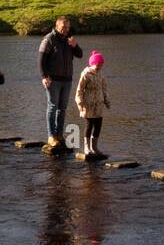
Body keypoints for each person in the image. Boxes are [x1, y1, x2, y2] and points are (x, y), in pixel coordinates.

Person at [38, 15, 83, 148]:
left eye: (68, 27)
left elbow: (80, 55)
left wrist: (74, 46)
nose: (66, 30)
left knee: (62, 109)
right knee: (52, 107)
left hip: (67, 80)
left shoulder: (69, 39)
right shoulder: (49, 39)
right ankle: (51, 136)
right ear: (57, 26)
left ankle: (59, 135)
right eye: (64, 27)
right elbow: (40, 60)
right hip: (53, 80)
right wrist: (44, 76)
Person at [74, 50, 110, 156]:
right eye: (98, 64)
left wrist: (107, 101)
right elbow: (79, 90)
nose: (99, 66)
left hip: (98, 104)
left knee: (98, 126)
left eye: (101, 65)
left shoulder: (101, 76)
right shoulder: (86, 74)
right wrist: (79, 102)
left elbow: (104, 89)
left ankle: (94, 147)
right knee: (89, 126)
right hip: (88, 104)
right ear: (92, 63)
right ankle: (87, 147)